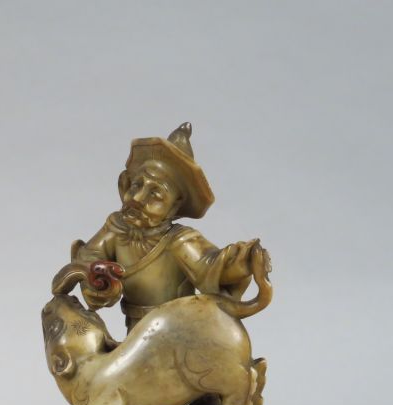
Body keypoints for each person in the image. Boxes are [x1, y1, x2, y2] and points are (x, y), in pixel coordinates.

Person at [71, 123, 266, 332]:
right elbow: (89, 256)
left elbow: (212, 267)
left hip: (176, 331)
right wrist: (97, 278)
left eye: (155, 194)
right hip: (134, 328)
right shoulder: (116, 228)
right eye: (137, 185)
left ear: (174, 206)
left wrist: (242, 260)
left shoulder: (179, 240)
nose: (137, 198)